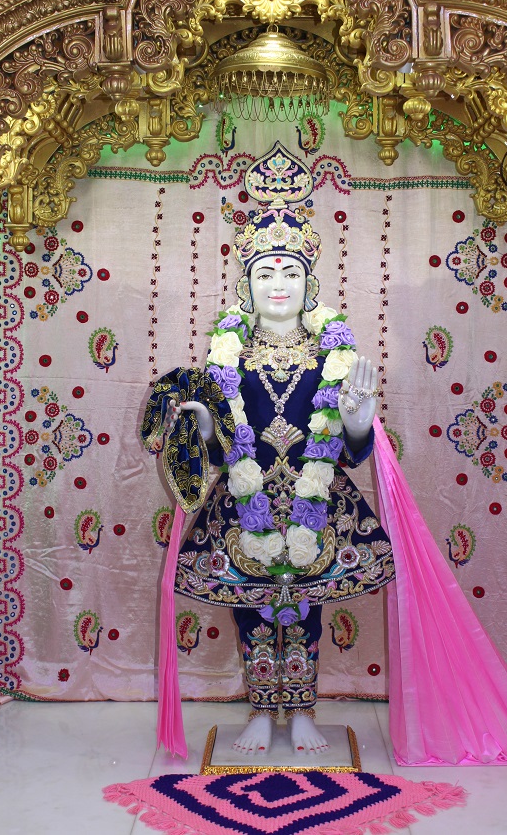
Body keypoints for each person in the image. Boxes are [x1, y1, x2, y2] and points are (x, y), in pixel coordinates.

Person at [145, 143, 394, 757]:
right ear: (246, 285)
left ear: (309, 285)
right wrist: (204, 425)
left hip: (318, 502)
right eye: (265, 274)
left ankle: (302, 711)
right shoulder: (226, 355)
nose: (277, 285)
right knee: (252, 609)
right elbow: (219, 447)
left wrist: (358, 422)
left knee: (306, 609)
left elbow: (351, 450)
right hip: (244, 501)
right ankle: (261, 711)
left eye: (289, 274)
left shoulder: (332, 353)